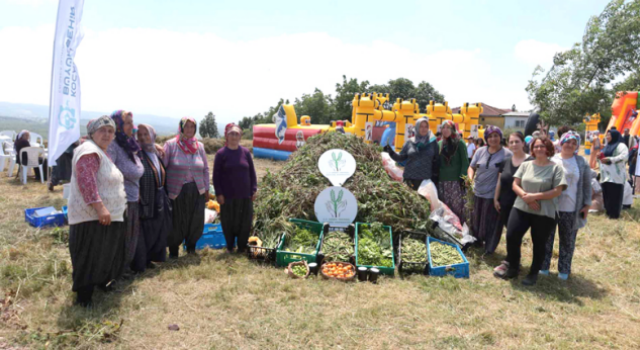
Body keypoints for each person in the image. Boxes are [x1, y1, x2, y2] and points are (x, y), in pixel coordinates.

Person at [67, 116, 127, 306]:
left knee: (102, 253)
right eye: (102, 130)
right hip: (91, 217)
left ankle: (98, 283)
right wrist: (100, 207)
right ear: (92, 132)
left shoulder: (99, 151)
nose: (107, 134)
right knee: (89, 255)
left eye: (110, 131)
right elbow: (87, 181)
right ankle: (84, 298)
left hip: (101, 217)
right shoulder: (89, 151)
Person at [496, 137, 566, 285]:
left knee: (539, 243)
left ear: (549, 149)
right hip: (521, 206)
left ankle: (533, 273)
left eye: (542, 146)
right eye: (536, 146)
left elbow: (557, 191)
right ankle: (513, 268)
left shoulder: (556, 168)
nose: (539, 149)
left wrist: (535, 197)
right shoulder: (526, 165)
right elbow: (515, 184)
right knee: (511, 236)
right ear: (532, 149)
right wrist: (525, 196)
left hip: (544, 211)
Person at [540, 131, 591, 280]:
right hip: (551, 207)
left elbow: (587, 185)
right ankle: (543, 267)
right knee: (546, 238)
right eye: (567, 142)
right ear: (561, 143)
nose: (570, 145)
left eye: (573, 143)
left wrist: (587, 204)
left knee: (568, 240)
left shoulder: (581, 162)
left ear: (577, 146)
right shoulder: (552, 159)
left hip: (571, 208)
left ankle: (564, 270)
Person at [163, 117, 209, 257]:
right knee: (176, 221)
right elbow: (162, 168)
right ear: (181, 128)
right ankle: (174, 251)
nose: (189, 129)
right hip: (177, 191)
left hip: (197, 190)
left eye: (192, 127)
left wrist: (206, 189)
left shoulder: (199, 146)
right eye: (186, 126)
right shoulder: (171, 145)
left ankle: (191, 249)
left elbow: (205, 169)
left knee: (195, 220)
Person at [107, 110, 144, 273]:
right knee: (120, 238)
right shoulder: (113, 146)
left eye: (131, 122)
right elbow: (107, 173)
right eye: (127, 123)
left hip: (133, 199)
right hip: (120, 201)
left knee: (130, 237)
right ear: (118, 126)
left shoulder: (129, 144)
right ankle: (115, 270)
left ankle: (124, 268)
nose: (131, 126)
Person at [132, 124, 171, 272]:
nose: (142, 137)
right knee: (146, 230)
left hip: (160, 196)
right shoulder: (137, 154)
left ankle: (152, 258)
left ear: (152, 136)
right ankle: (141, 262)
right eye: (140, 135)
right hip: (145, 199)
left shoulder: (155, 152)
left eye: (146, 134)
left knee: (158, 228)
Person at [468, 125, 512, 255]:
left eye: (496, 136)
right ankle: (477, 242)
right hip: (478, 191)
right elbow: (471, 167)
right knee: (476, 219)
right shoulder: (480, 151)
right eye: (490, 136)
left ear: (500, 137)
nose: (493, 139)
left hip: (494, 194)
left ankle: (490, 247)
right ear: (486, 138)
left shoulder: (507, 154)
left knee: (492, 222)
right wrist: (470, 179)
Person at [214, 124, 257, 253]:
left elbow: (252, 173)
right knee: (228, 221)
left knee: (245, 221)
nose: (234, 136)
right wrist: (219, 193)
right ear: (227, 136)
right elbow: (216, 176)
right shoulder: (221, 154)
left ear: (240, 136)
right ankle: (230, 246)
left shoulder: (245, 152)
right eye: (231, 133)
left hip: (245, 195)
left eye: (236, 134)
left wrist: (254, 189)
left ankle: (242, 246)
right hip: (228, 196)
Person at [492, 132, 531, 274]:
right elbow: (499, 182)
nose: (514, 144)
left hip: (522, 205)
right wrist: (496, 198)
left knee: (514, 234)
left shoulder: (530, 161)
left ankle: (513, 265)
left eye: (517, 141)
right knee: (511, 234)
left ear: (523, 143)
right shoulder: (506, 161)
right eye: (511, 142)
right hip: (505, 203)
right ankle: (511, 260)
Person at [384, 117, 440, 191]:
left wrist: (435, 177)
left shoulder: (432, 142)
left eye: (426, 127)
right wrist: (390, 152)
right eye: (421, 126)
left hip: (425, 181)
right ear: (417, 127)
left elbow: (436, 160)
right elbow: (401, 158)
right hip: (409, 180)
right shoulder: (410, 142)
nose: (424, 129)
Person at [437, 120, 469, 224]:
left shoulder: (460, 143)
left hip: (456, 182)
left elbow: (465, 162)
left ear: (453, 129)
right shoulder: (440, 144)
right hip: (442, 182)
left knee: (457, 208)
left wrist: (463, 179)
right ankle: (447, 231)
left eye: (448, 127)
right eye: (443, 127)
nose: (445, 130)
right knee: (445, 208)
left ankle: (460, 231)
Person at [599, 130, 629, 219]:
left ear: (614, 135)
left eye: (609, 135)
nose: (607, 137)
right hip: (605, 176)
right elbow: (603, 158)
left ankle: (614, 214)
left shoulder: (621, 146)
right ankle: (608, 212)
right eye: (606, 135)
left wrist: (611, 159)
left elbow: (624, 157)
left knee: (615, 195)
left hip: (616, 176)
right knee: (607, 195)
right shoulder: (607, 146)